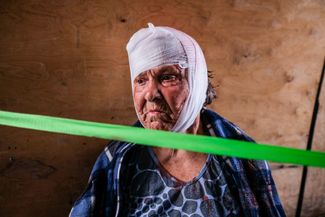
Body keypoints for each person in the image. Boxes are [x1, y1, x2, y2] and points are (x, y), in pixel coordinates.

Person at [70, 23, 286, 217]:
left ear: (197, 84)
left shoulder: (241, 154)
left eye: (167, 77)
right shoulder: (118, 160)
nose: (150, 94)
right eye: (141, 81)